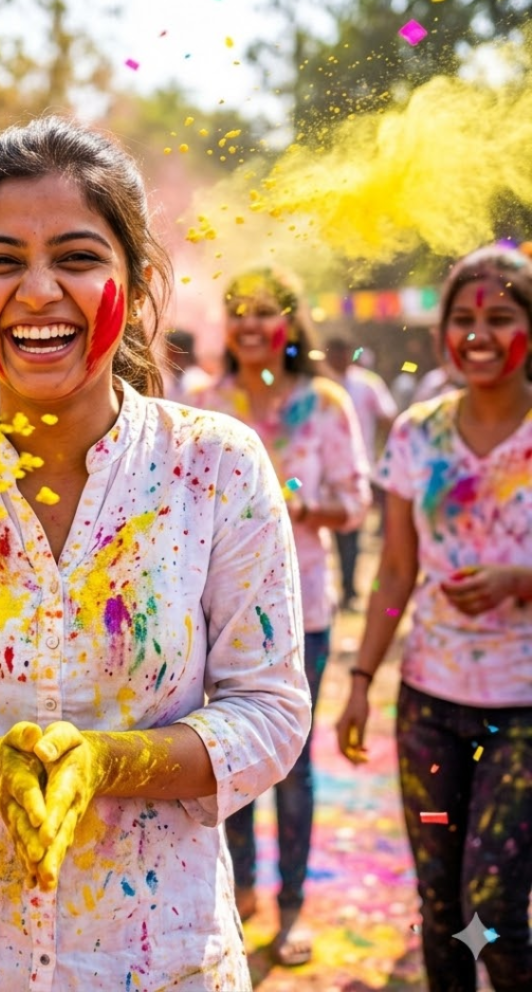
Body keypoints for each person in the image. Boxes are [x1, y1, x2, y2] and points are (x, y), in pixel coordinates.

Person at [0, 116, 311, 991]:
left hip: (157, 959)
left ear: (137, 281)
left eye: (77, 257)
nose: (38, 292)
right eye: (1, 261)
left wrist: (107, 763)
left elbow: (269, 710)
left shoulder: (214, 465)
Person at [336, 244, 532, 992]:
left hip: (521, 713)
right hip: (429, 705)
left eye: (501, 317)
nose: (479, 334)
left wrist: (521, 579)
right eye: (464, 318)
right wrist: (359, 678)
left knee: (496, 909)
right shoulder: (416, 432)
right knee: (440, 906)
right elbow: (393, 570)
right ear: (442, 331)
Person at [193, 267, 371, 967]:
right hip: (215, 610)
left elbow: (356, 503)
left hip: (305, 609)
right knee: (221, 749)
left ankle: (291, 906)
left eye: (265, 313)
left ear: (291, 325)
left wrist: (294, 509)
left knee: (289, 763)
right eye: (238, 312)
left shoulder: (326, 403)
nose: (249, 325)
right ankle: (240, 896)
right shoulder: (204, 401)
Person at [325, 334, 399, 610]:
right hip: (317, 477)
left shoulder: (367, 384)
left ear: (351, 354)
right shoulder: (318, 387)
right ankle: (328, 591)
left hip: (357, 470)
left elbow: (388, 418)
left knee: (351, 533)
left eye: (342, 352)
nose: (338, 358)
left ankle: (349, 589)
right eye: (333, 352)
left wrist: (385, 455)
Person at [161, 327, 211, 402]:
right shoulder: (177, 380)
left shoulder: (196, 383)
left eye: (167, 352)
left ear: (174, 353)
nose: (165, 357)